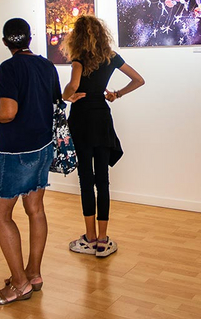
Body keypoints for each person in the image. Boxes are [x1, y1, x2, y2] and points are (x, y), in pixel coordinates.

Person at [0, 19, 59, 305]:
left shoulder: (9, 68)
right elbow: (53, 101)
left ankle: (19, 284)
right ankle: (33, 274)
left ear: (5, 42)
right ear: (30, 38)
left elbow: (9, 112)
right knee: (35, 209)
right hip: (43, 146)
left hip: (16, 152)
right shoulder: (47, 66)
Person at [61, 15, 144, 258]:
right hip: (102, 118)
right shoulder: (110, 57)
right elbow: (138, 80)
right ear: (100, 33)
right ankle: (103, 241)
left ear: (77, 36)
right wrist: (116, 94)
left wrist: (67, 95)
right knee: (103, 180)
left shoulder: (78, 59)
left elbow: (73, 87)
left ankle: (89, 238)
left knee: (86, 179)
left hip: (81, 120)